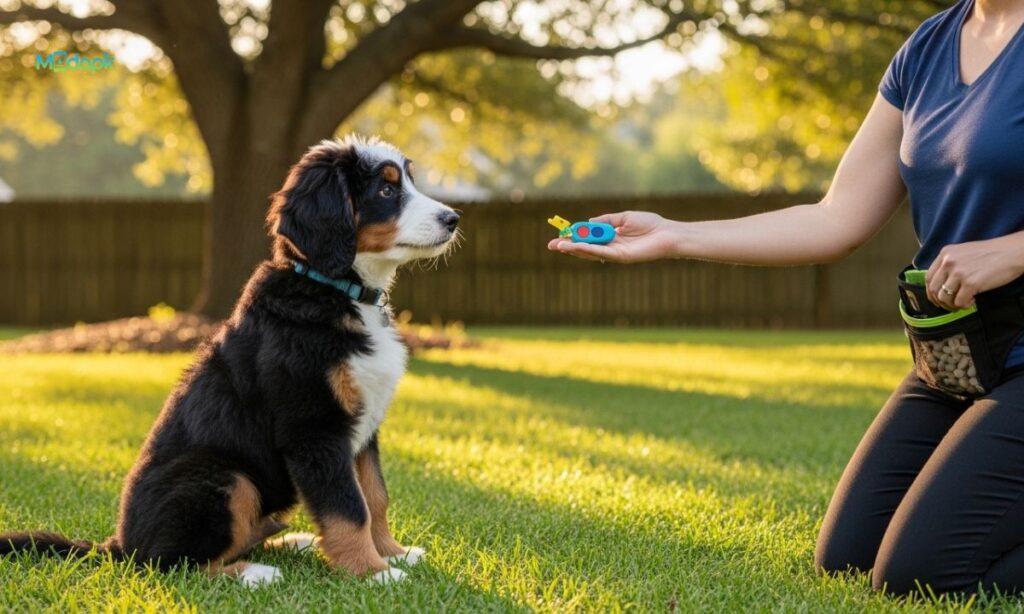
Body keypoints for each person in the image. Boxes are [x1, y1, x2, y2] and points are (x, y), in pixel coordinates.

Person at [549, 0, 1024, 597]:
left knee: (920, 575)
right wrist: (673, 234)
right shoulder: (927, 48)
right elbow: (836, 218)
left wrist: (1014, 250)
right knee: (847, 560)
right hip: (960, 352)